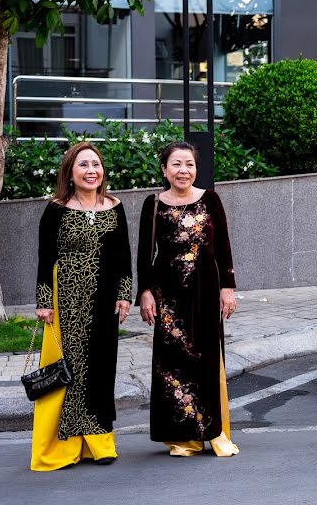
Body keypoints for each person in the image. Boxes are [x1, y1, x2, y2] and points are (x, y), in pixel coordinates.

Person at [31, 142, 132, 471]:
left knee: (102, 371)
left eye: (96, 165)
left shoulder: (115, 207)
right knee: (68, 372)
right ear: (70, 174)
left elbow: (123, 256)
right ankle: (64, 447)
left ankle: (99, 443)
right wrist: (44, 302)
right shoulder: (56, 208)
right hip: (65, 303)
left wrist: (124, 294)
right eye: (83, 165)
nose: (92, 170)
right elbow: (45, 259)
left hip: (104, 303)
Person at [137, 142, 239, 457]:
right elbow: (144, 253)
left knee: (208, 357)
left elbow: (223, 246)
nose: (184, 171)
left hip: (206, 290)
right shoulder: (153, 204)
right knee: (173, 361)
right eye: (177, 164)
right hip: (167, 295)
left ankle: (213, 432)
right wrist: (145, 292)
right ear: (164, 169)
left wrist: (228, 287)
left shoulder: (211, 199)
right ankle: (183, 437)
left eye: (190, 164)